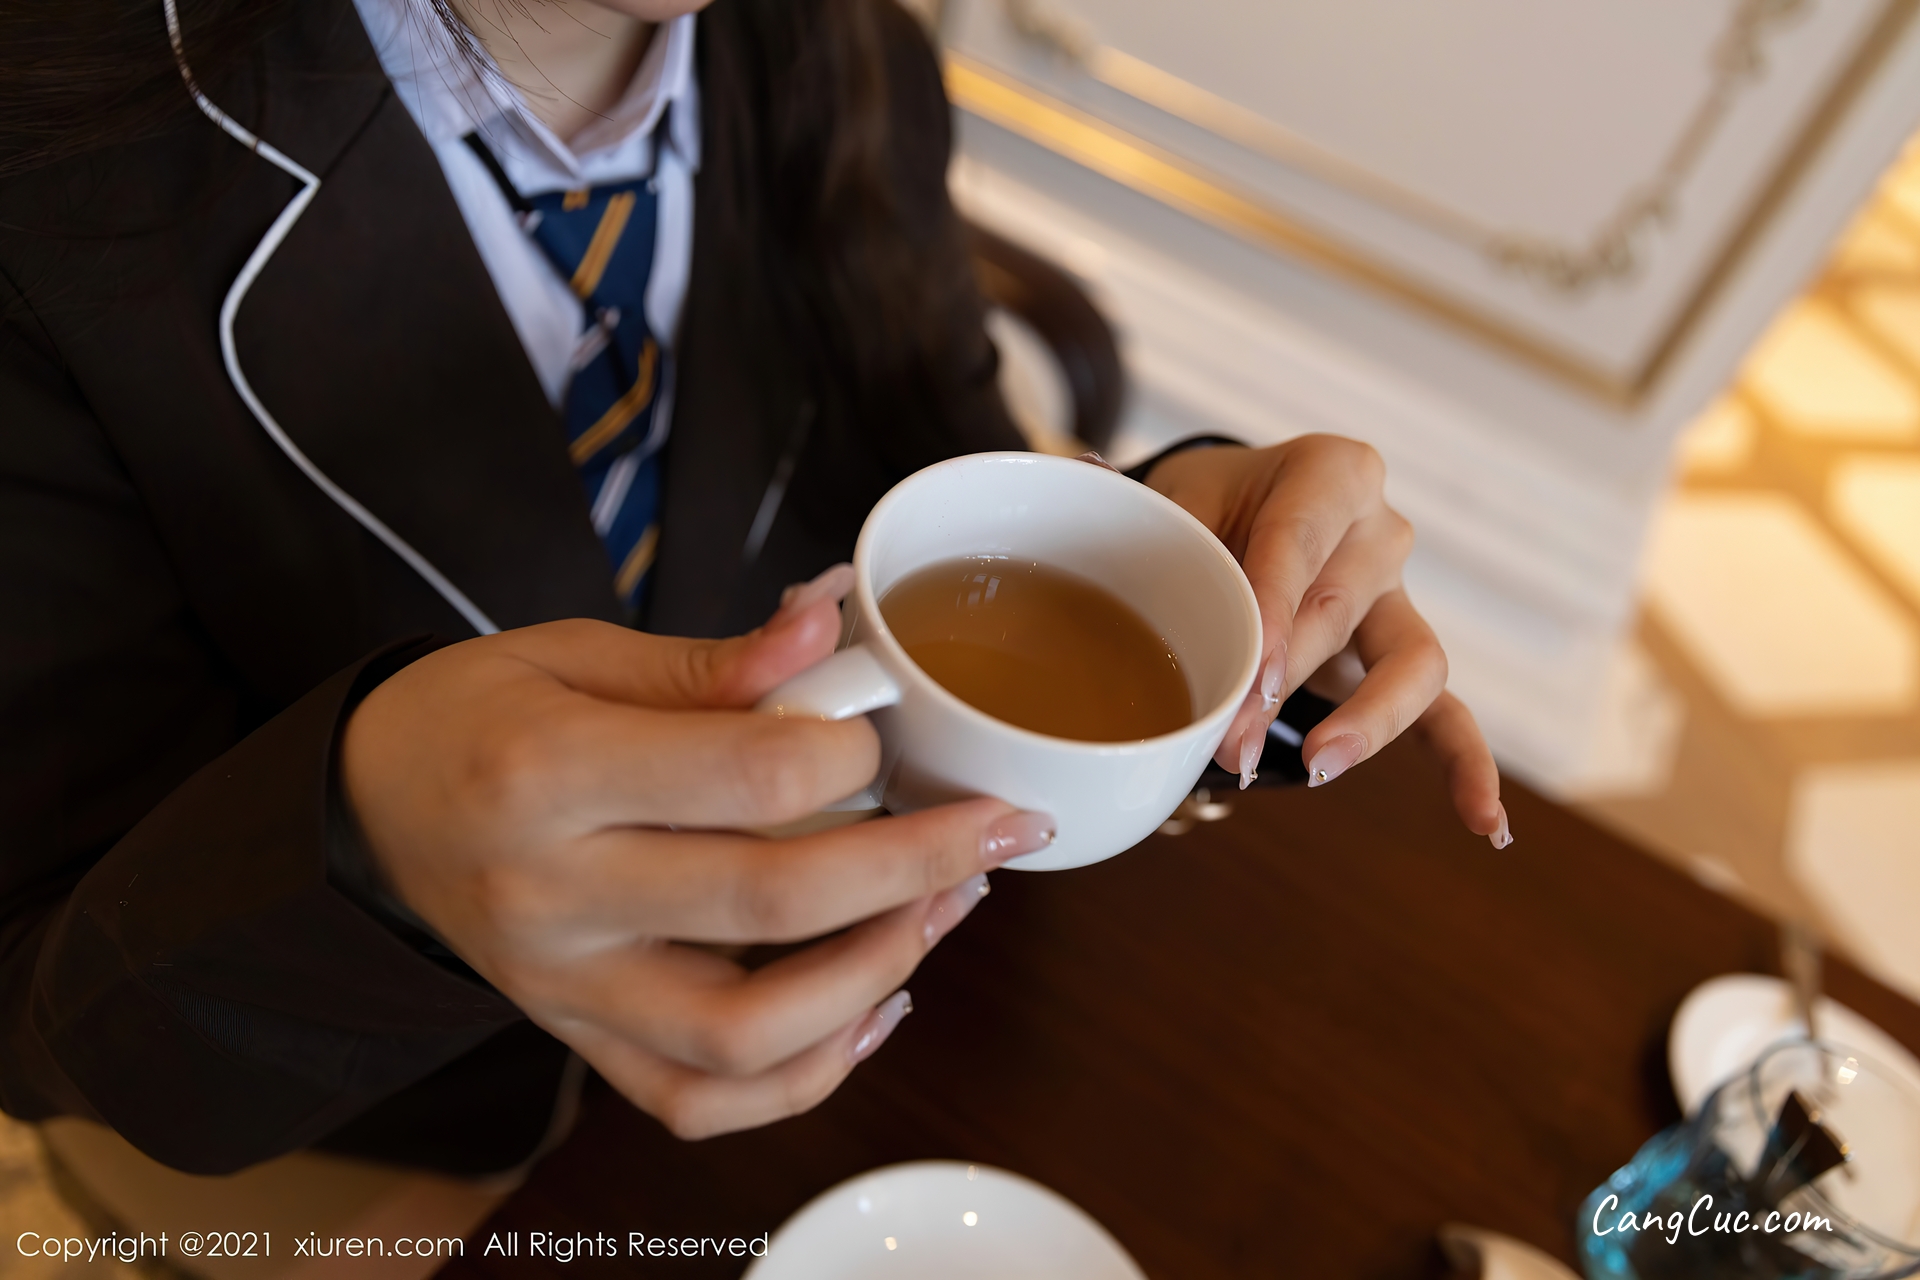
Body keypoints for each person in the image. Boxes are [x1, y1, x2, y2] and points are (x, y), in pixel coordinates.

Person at [0, 0, 1510, 1178]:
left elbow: (928, 501)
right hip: (383, 1152)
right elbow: (46, 1013)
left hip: (862, 1064)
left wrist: (1182, 568)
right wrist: (365, 846)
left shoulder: (847, 53)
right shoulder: (54, 178)